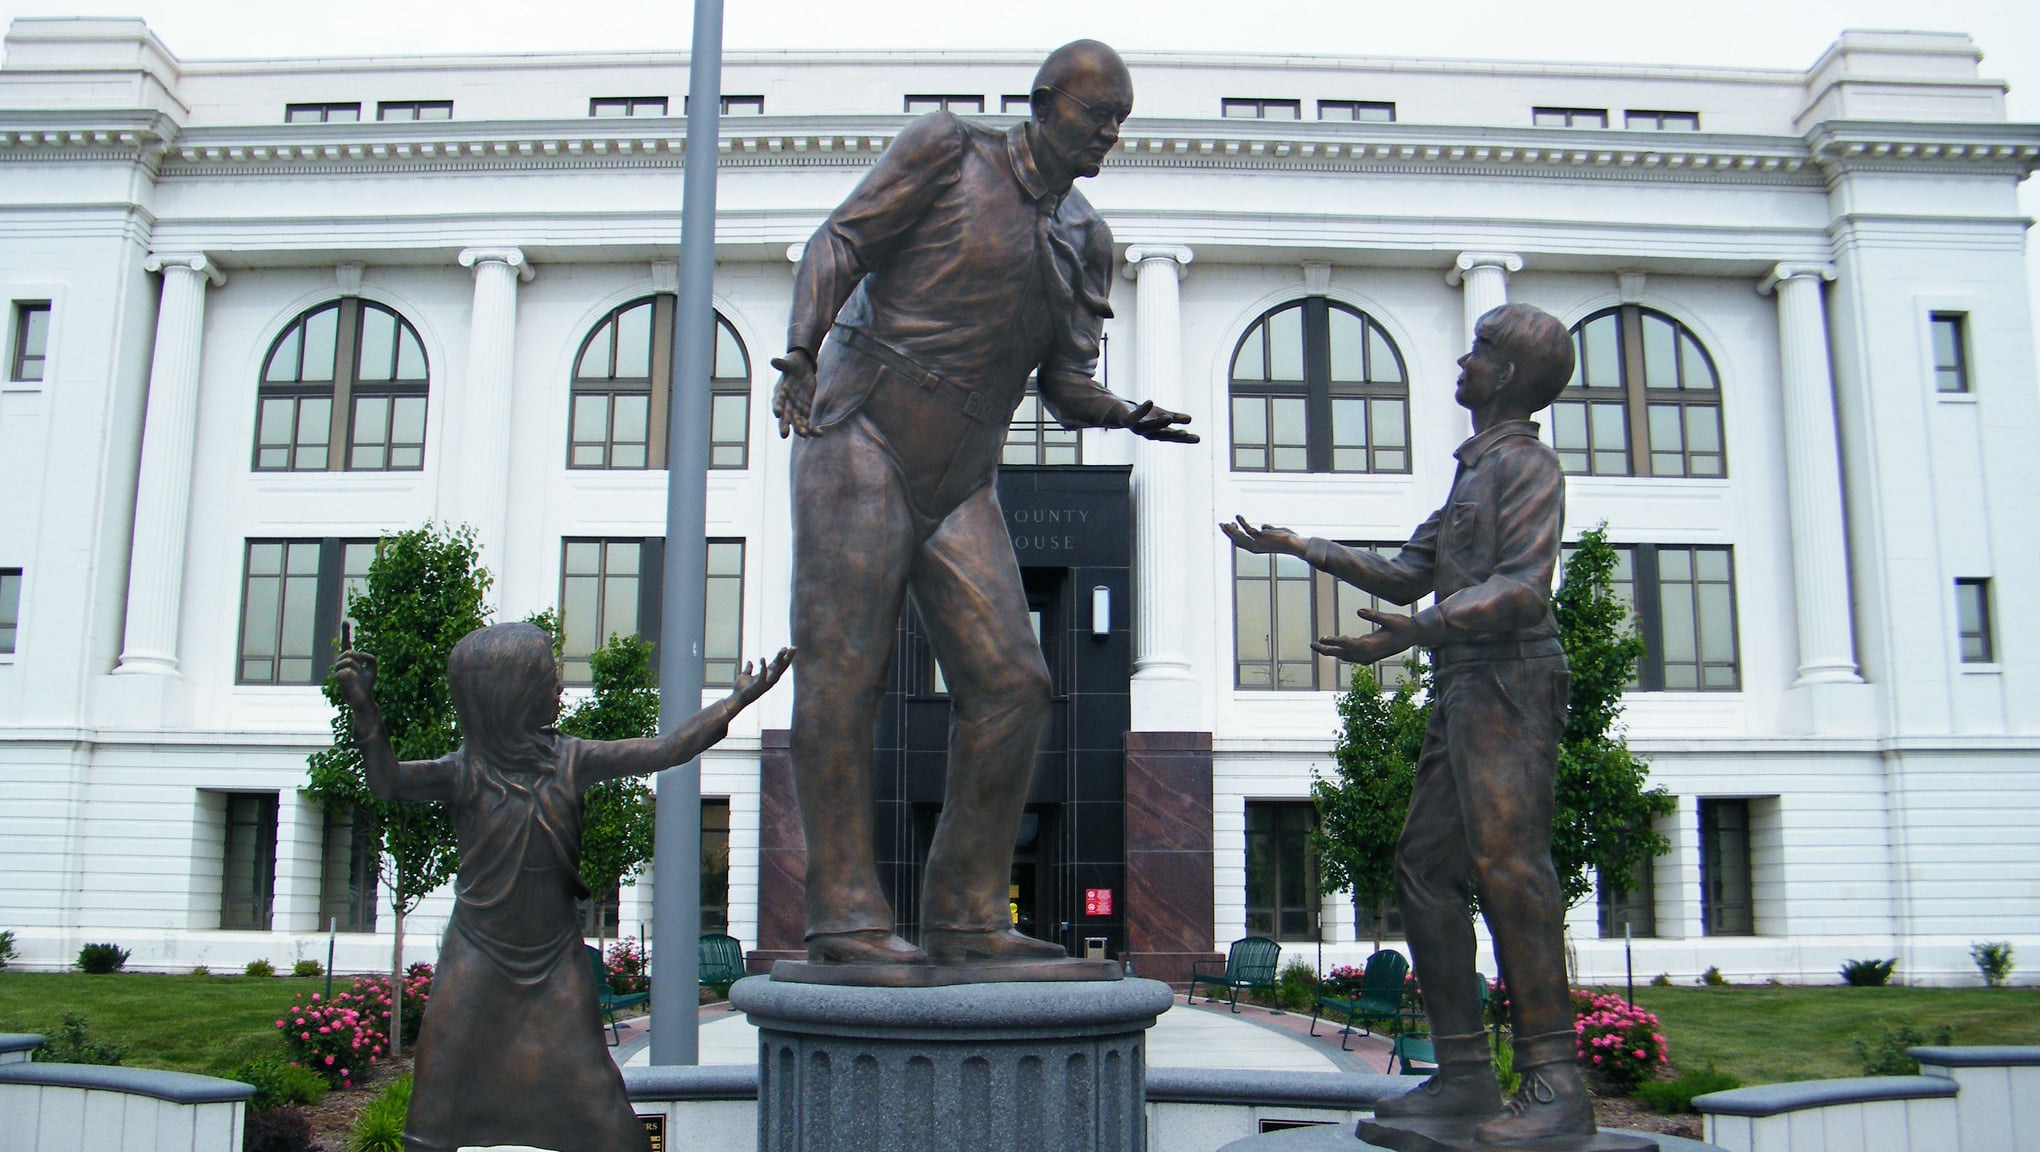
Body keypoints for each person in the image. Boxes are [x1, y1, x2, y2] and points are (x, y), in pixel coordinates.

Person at [771, 39, 1197, 968]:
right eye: (1098, 116)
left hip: (963, 472)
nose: (1111, 135)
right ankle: (844, 917)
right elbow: (842, 239)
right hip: (863, 431)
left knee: (1015, 685)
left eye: (1122, 121)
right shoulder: (948, 149)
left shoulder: (1086, 237)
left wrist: (1126, 413)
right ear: (1046, 103)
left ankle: (966, 914)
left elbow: (1064, 383)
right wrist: (801, 351)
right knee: (844, 670)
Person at [1223, 303, 1594, 1143]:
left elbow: (1525, 591)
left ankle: (1557, 1085)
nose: (1463, 364)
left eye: (1478, 353)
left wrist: (1421, 630)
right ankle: (1465, 1077)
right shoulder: (1474, 474)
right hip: (1463, 685)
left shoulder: (1527, 467)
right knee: (1424, 872)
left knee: (1511, 870)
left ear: (1504, 375)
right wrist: (1300, 546)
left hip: (1510, 681)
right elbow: (1401, 575)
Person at [331, 623, 791, 1152]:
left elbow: (669, 749)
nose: (561, 689)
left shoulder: (573, 758)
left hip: (553, 958)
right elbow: (387, 781)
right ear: (514, 693)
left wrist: (737, 700)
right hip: (477, 954)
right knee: (436, 1103)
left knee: (604, 1110)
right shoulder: (464, 772)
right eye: (551, 677)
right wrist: (364, 709)